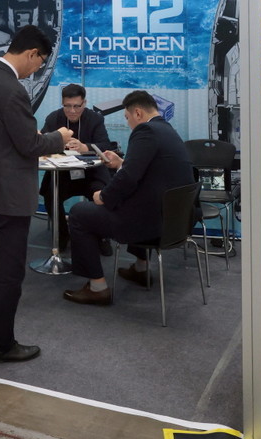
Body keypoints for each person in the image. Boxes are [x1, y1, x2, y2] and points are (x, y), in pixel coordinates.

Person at [0, 25, 72, 363]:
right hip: (7, 195)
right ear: (32, 53)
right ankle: (2, 345)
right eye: (39, 63)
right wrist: (60, 137)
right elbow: (30, 145)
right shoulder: (12, 90)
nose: (37, 69)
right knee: (10, 272)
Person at [63, 90, 195, 306]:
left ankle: (97, 288)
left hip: (151, 224)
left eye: (127, 118)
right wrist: (121, 163)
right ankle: (141, 268)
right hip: (175, 223)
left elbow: (128, 179)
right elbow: (150, 171)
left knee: (79, 213)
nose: (128, 124)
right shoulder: (167, 130)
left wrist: (102, 196)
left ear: (138, 113)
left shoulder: (145, 131)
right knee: (138, 202)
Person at [40, 84, 111, 251]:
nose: (72, 111)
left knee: (102, 195)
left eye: (77, 106)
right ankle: (62, 234)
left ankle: (102, 236)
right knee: (50, 195)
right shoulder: (54, 118)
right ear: (62, 103)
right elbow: (42, 142)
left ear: (84, 103)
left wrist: (84, 147)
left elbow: (105, 145)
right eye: (67, 106)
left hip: (91, 174)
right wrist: (54, 143)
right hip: (63, 174)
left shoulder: (95, 119)